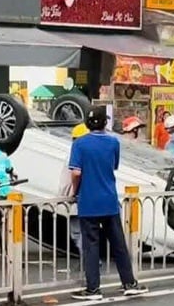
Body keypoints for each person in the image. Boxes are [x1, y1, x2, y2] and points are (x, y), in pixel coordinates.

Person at [69, 106, 148, 300]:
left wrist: (74, 191)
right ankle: (129, 283)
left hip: (88, 202)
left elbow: (76, 172)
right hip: (110, 200)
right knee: (118, 244)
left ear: (87, 123)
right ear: (106, 122)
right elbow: (113, 166)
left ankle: (93, 289)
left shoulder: (79, 144)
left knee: (91, 246)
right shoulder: (114, 143)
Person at [58, 123, 89, 254]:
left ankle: (89, 258)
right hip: (83, 198)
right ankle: (90, 257)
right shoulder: (85, 153)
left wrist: (69, 194)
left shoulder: (74, 154)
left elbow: (71, 176)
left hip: (76, 198)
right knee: (85, 231)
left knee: (78, 232)